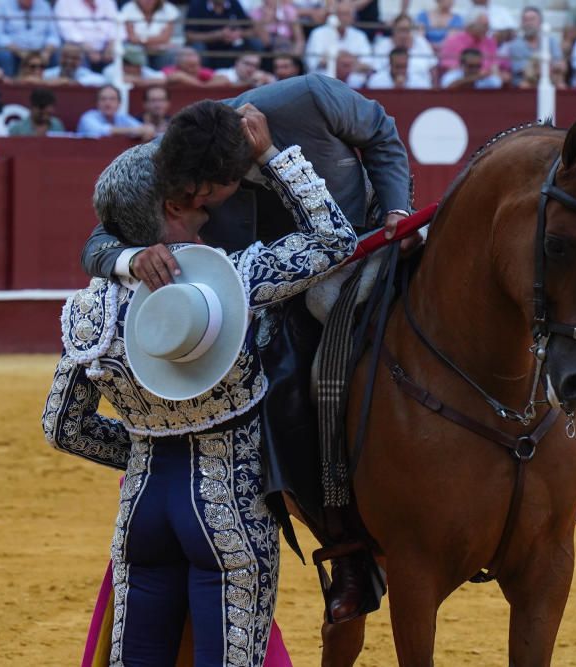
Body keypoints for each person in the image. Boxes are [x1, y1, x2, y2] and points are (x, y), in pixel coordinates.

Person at [82, 74, 413, 623]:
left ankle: (555, 455)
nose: (195, 208)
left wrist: (399, 209)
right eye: (186, 200)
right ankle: (347, 545)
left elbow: (381, 133)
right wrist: (131, 257)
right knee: (284, 391)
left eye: (202, 198)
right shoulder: (176, 156)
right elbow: (98, 238)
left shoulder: (307, 98)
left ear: (229, 176)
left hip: (374, 239)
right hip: (282, 290)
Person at [43, 101, 358, 665]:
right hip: (229, 506)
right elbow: (334, 241)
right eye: (195, 207)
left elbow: (62, 427)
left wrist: (145, 445)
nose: (208, 214)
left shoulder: (91, 311)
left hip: (143, 509)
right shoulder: (231, 282)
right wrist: (271, 157)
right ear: (170, 205)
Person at [0, 0, 61, 76]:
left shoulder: (44, 5)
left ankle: (51, 86)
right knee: (3, 55)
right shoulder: (1, 5)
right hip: (13, 51)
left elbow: (53, 35)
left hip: (41, 51)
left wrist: (46, 52)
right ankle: (9, 86)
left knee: (59, 53)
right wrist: (20, 52)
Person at [184, 0, 264, 68]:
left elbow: (251, 31)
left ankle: (255, 75)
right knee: (198, 47)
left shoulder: (233, 3)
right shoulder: (197, 4)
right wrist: (217, 35)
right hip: (207, 48)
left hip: (232, 47)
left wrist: (238, 34)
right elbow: (189, 36)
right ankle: (202, 75)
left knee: (255, 43)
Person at [500, 6, 565, 89]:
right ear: (521, 23)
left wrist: (545, 69)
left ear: (540, 22)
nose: (528, 23)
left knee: (561, 85)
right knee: (525, 85)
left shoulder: (551, 41)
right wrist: (546, 68)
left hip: (550, 78)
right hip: (527, 81)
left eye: (532, 19)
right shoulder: (515, 45)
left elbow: (560, 65)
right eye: (525, 20)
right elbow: (523, 71)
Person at [369, 13, 436, 88]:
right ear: (393, 30)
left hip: (419, 86)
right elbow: (374, 70)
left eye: (407, 30)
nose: (404, 35)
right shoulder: (383, 45)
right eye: (401, 30)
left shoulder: (421, 43)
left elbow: (433, 69)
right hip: (386, 85)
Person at [303, 1, 372, 73]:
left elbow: (367, 65)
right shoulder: (318, 33)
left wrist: (343, 60)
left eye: (346, 14)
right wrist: (342, 60)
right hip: (324, 79)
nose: (343, 18)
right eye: (340, 14)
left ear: (353, 17)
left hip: (353, 79)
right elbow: (312, 63)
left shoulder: (360, 36)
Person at [53, 0, 118, 72]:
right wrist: (88, 49)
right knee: (72, 52)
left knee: (122, 50)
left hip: (107, 48)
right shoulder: (64, 2)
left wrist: (111, 45)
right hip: (80, 46)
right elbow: (67, 31)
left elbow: (116, 26)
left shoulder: (108, 2)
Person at [76, 84, 155, 140]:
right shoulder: (88, 117)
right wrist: (133, 130)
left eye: (112, 99)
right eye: (103, 99)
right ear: (97, 103)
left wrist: (148, 129)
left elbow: (141, 128)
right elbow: (102, 131)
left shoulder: (122, 117)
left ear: (119, 103)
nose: (107, 103)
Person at [120, 0, 181, 69]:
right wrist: (150, 45)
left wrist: (141, 41)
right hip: (138, 48)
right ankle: (143, 77)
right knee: (134, 51)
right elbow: (132, 38)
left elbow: (165, 38)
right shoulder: (128, 8)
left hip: (160, 49)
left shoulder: (169, 9)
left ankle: (163, 76)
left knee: (173, 52)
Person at [438, 8, 498, 75]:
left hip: (484, 77)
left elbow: (494, 66)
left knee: (494, 81)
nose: (486, 29)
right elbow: (448, 66)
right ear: (470, 25)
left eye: (487, 25)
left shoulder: (490, 42)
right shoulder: (453, 41)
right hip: (460, 76)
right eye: (483, 25)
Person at [162, 46, 229, 86]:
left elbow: (223, 79)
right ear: (178, 61)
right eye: (188, 56)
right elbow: (174, 77)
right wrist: (202, 86)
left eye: (193, 55)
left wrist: (203, 87)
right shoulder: (170, 69)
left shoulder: (203, 71)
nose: (192, 59)